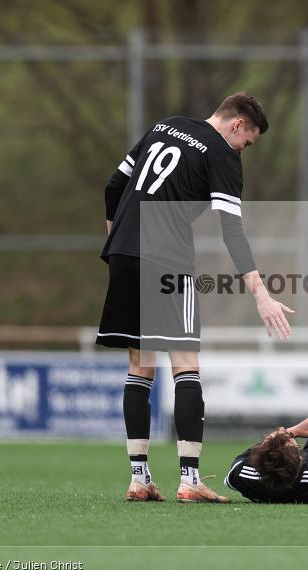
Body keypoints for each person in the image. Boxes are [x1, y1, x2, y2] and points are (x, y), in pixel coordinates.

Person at [97, 92, 294, 503]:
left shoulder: (162, 126)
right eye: (248, 142)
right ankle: (189, 481)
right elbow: (232, 231)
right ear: (237, 124)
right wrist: (261, 295)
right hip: (166, 258)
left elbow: (114, 185)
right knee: (185, 365)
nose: (244, 149)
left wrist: (117, 237)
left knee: (140, 366)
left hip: (123, 252)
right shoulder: (222, 153)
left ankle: (139, 477)